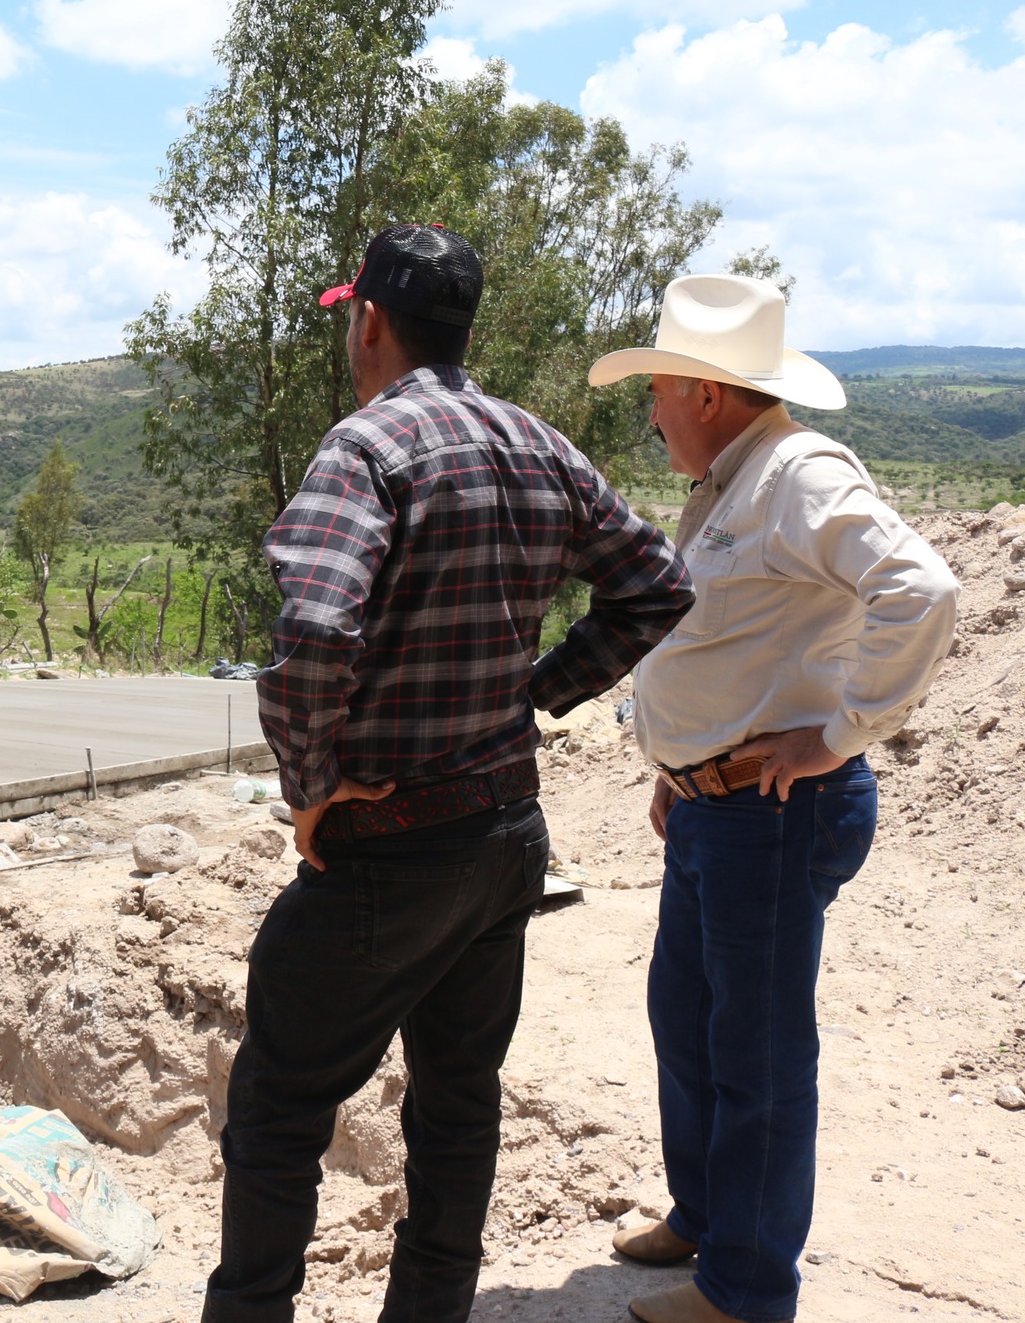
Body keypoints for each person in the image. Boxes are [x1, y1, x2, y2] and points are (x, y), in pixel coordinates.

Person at [205, 224, 696, 1323]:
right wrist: (532, 692)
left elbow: (313, 634)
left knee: (279, 1110)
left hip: (386, 846)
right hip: (505, 840)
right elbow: (654, 587)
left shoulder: (364, 450)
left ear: (365, 321)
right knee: (457, 1108)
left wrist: (310, 784)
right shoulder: (540, 447)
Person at [589, 275, 959, 1323]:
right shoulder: (733, 481)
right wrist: (677, 768)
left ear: (704, 392)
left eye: (658, 387)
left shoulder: (795, 473)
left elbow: (920, 590)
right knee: (688, 1022)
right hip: (715, 806)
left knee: (752, 1051)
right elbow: (736, 638)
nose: (650, 407)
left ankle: (743, 1292)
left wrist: (840, 730)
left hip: (771, 808)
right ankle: (705, 1219)